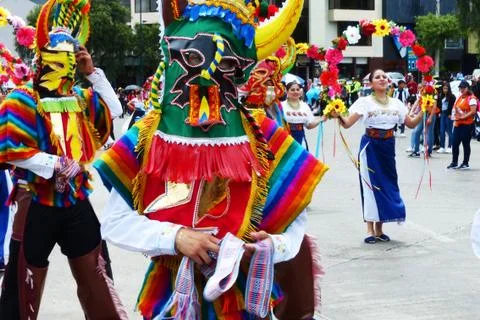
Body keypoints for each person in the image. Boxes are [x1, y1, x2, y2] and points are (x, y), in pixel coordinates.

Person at [95, 0, 328, 319]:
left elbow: (296, 228)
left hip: (246, 297)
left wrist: (272, 247)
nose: (205, 84)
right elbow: (115, 224)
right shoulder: (149, 136)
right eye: (191, 60)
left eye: (226, 68)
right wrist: (176, 238)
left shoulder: (262, 135)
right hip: (175, 298)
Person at [0, 1, 127, 318]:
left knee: (98, 279)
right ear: (41, 58)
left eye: (71, 58)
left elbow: (115, 111)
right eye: (58, 57)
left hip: (76, 201)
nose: (64, 64)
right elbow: (11, 147)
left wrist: (92, 72)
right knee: (21, 286)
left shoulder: (81, 99)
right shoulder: (22, 99)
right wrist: (53, 163)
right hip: (36, 202)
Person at [331, 69, 424, 243]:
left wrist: (425, 110)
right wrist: (338, 116)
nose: (382, 79)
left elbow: (410, 124)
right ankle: (369, 230)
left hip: (388, 146)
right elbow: (348, 124)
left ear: (388, 81)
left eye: (384, 77)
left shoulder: (397, 103)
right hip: (370, 146)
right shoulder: (364, 102)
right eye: (377, 77)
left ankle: (379, 230)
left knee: (387, 185)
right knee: (370, 186)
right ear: (371, 83)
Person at [447, 80, 477, 169]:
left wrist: (463, 117)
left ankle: (465, 163)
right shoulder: (459, 97)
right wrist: (453, 116)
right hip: (457, 123)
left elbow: (473, 111)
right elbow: (455, 108)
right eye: (460, 88)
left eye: (463, 88)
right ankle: (454, 162)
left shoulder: (472, 98)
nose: (462, 89)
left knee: (465, 144)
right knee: (455, 143)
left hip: (467, 124)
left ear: (468, 88)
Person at [282, 82, 323, 149]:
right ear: (286, 91)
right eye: (292, 90)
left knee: (301, 158)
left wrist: (322, 118)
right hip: (284, 139)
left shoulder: (304, 106)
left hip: (300, 139)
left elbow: (309, 125)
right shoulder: (281, 105)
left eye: (297, 89)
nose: (295, 92)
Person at [410, 83, 438, 157]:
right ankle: (416, 150)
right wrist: (412, 111)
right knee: (417, 131)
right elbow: (417, 101)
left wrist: (431, 117)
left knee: (429, 132)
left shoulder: (433, 93)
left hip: (430, 113)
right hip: (422, 113)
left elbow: (434, 106)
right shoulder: (422, 92)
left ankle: (429, 151)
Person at [437, 82, 455, 153]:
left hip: (449, 115)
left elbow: (453, 106)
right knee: (442, 131)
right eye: (444, 88)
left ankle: (450, 146)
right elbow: (439, 105)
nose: (445, 90)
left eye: (446, 88)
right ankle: (442, 146)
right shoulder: (441, 95)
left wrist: (450, 114)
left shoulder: (452, 96)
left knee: (449, 131)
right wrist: (439, 112)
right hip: (442, 114)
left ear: (449, 89)